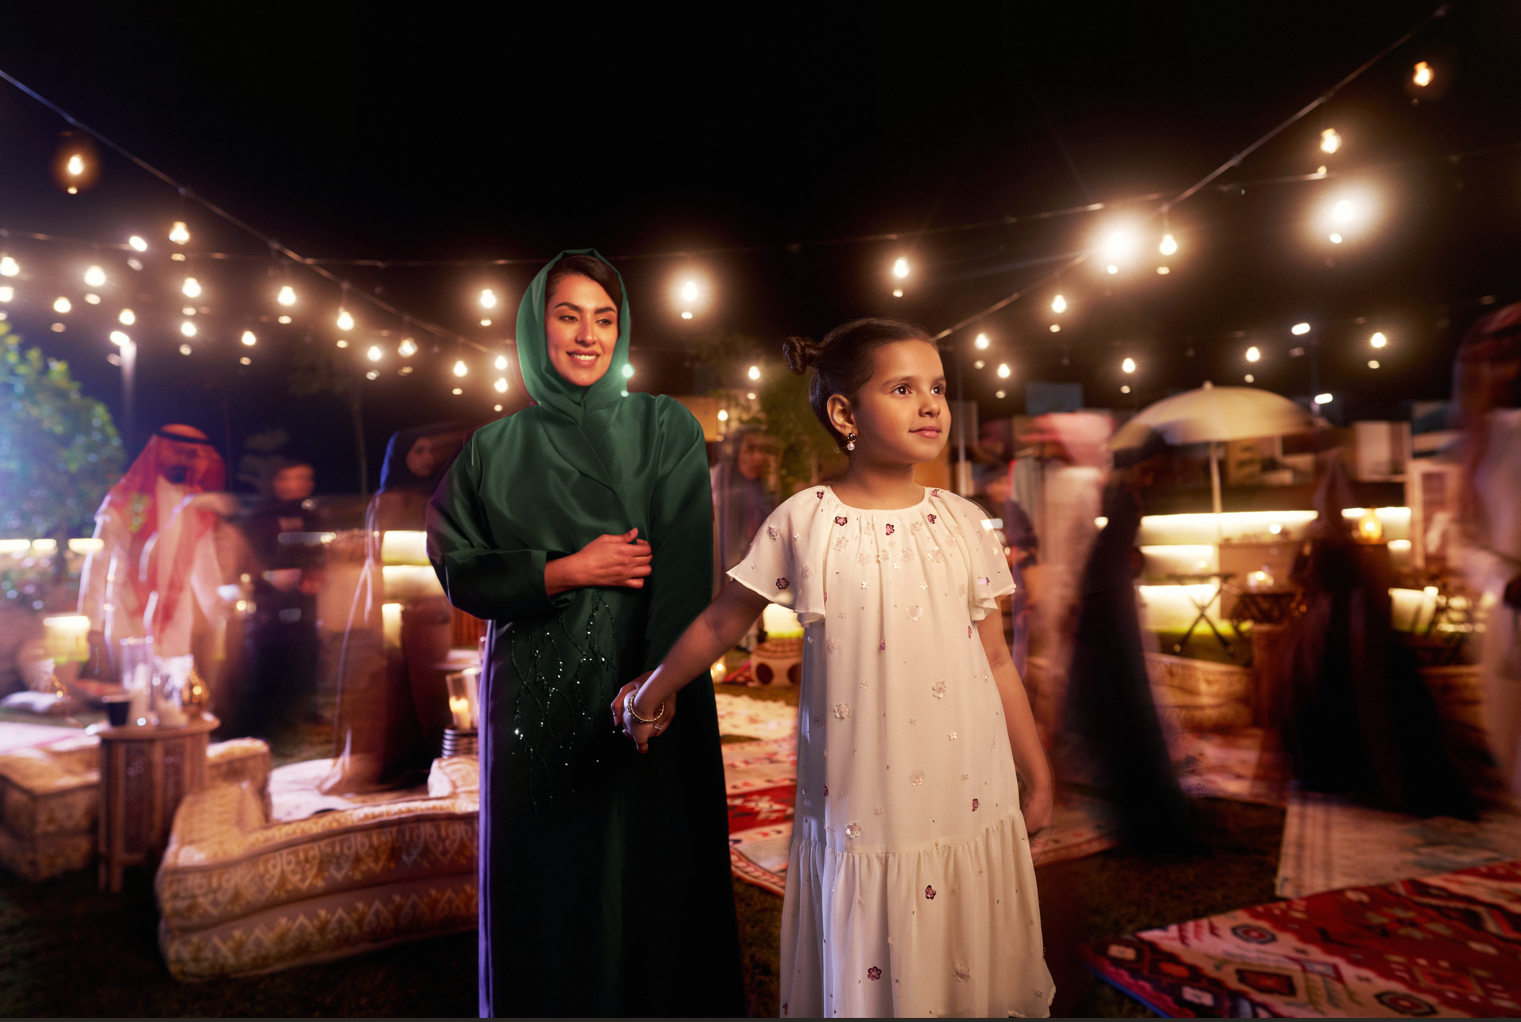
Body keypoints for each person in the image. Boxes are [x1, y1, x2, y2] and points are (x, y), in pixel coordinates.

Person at [617, 318, 1054, 1018]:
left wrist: (1036, 773)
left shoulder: (966, 524)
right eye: (903, 388)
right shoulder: (803, 521)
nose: (930, 405)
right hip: (862, 797)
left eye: (936, 388)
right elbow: (721, 621)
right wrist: (650, 693)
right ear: (844, 413)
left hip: (968, 785)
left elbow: (997, 660)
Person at [427, 251, 742, 1017]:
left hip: (646, 677)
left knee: (652, 860)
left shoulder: (661, 424)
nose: (587, 335)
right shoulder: (492, 450)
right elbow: (458, 565)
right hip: (536, 687)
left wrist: (657, 686)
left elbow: (680, 559)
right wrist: (565, 570)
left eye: (604, 318)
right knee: (552, 869)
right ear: (537, 330)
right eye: (567, 316)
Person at [1281, 454, 1474, 817]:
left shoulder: (1341, 543)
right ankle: (1341, 771)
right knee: (1327, 685)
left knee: (1370, 690)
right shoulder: (1321, 538)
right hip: (1331, 623)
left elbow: (1331, 580)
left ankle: (1370, 774)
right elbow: (1303, 576)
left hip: (1345, 623)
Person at [1062, 429, 1195, 855]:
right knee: (1122, 709)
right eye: (1149, 470)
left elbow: (1109, 556)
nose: (1153, 480)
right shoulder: (1119, 497)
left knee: (1127, 711)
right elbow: (1103, 558)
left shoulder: (1125, 497)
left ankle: (1143, 807)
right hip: (1107, 611)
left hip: (1110, 607)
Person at [323, 423, 467, 793]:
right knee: (398, 684)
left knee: (431, 685)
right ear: (399, 456)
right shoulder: (389, 499)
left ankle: (428, 762)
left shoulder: (434, 494)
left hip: (432, 604)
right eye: (417, 450)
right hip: (399, 609)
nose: (426, 458)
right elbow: (388, 556)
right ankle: (397, 764)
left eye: (429, 451)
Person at [78, 424, 232, 680]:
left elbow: (204, 563)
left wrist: (222, 612)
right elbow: (99, 562)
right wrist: (92, 623)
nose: (188, 460)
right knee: (135, 692)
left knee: (172, 695)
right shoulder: (130, 498)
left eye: (194, 454)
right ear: (160, 451)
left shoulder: (198, 503)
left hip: (176, 617)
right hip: (129, 612)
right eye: (180, 452)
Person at [1456, 302, 1521, 795]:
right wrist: (1503, 581)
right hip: (1509, 614)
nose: (1507, 370)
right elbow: (1463, 536)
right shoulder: (1487, 438)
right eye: (1497, 359)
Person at [236, 459, 325, 741]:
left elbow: (317, 552)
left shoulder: (313, 515)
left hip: (303, 602)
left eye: (303, 478)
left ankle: (296, 715)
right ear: (273, 481)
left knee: (302, 656)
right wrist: (268, 576)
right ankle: (264, 725)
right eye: (287, 478)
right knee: (268, 660)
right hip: (268, 605)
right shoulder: (258, 517)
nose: (296, 485)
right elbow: (247, 558)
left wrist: (314, 572)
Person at [712, 426, 780, 588]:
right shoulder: (724, 484)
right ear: (737, 453)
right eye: (750, 450)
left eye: (762, 450)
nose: (758, 457)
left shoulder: (761, 486)